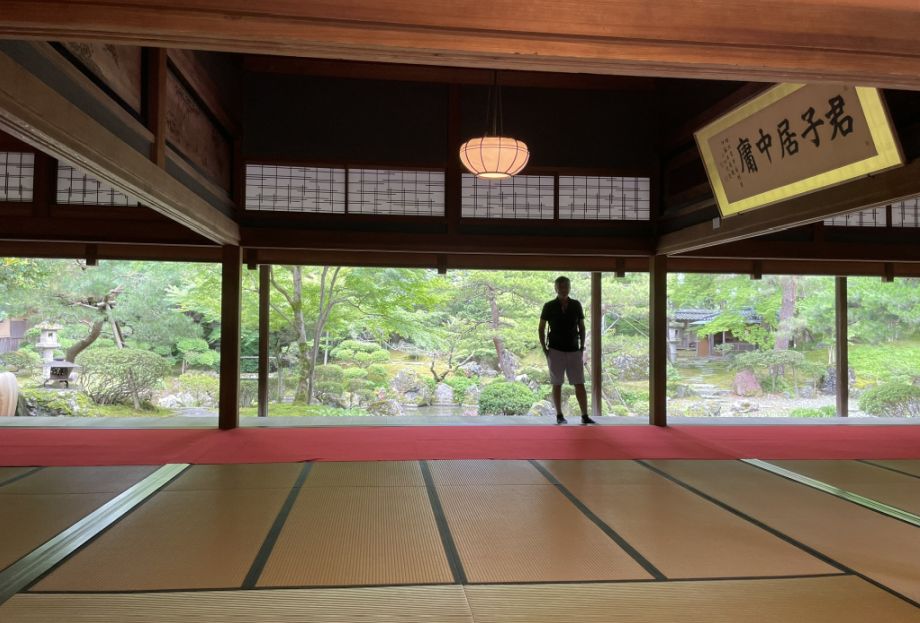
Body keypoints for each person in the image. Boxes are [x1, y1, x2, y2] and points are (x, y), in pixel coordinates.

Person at [539, 276, 596, 425]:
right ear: (556, 288)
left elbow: (581, 327)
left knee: (579, 382)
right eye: (561, 287)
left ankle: (584, 415)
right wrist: (544, 348)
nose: (564, 289)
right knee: (557, 383)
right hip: (555, 349)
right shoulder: (549, 306)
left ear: (570, 288)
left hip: (574, 349)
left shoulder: (576, 305)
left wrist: (582, 347)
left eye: (566, 286)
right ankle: (559, 415)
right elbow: (541, 328)